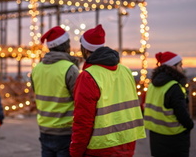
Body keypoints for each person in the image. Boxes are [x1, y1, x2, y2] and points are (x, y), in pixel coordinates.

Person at [70, 24, 146, 157]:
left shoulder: (88, 76)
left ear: (85, 50)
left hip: (100, 148)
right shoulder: (125, 70)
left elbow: (83, 121)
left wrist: (75, 152)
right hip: (127, 144)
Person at [31, 26, 80, 157]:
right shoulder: (70, 69)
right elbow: (79, 99)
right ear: (66, 45)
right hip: (65, 130)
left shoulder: (37, 69)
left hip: (45, 128)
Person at [143, 51, 194, 157]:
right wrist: (190, 125)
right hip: (175, 136)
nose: (182, 68)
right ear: (173, 67)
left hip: (155, 135)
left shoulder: (152, 85)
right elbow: (181, 112)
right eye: (180, 65)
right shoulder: (174, 87)